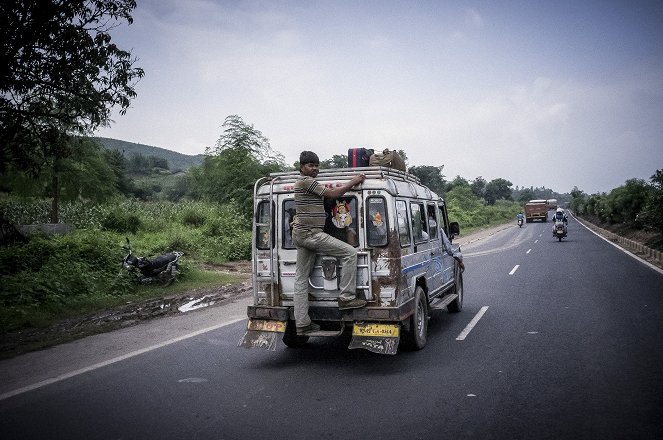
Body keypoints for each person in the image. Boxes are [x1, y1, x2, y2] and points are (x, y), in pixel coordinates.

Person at [292, 151, 367, 335]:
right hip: (312, 234)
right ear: (302, 168)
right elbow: (333, 193)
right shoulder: (306, 182)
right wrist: (352, 182)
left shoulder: (306, 184)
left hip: (302, 235)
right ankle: (346, 297)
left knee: (301, 279)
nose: (315, 168)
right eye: (310, 165)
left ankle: (302, 323)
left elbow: (328, 198)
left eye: (317, 165)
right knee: (350, 252)